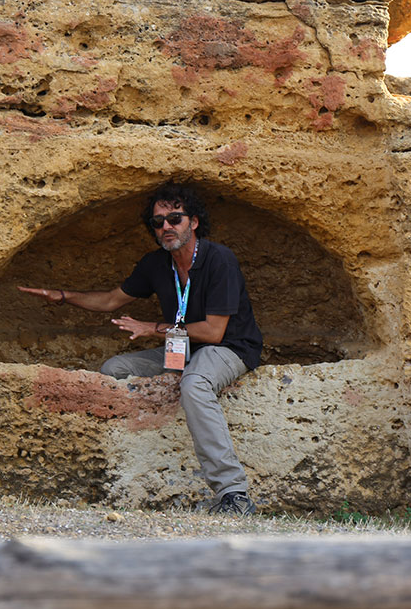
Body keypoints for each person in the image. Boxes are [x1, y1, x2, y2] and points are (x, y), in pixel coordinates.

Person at [19, 182, 263, 515]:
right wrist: (62, 295)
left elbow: (214, 330)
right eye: (158, 222)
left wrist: (154, 328)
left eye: (175, 218)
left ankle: (233, 494)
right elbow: (109, 300)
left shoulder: (219, 259)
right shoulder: (156, 264)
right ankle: (127, 472)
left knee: (195, 383)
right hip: (184, 347)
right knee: (114, 369)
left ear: (193, 222)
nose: (166, 227)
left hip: (229, 347)